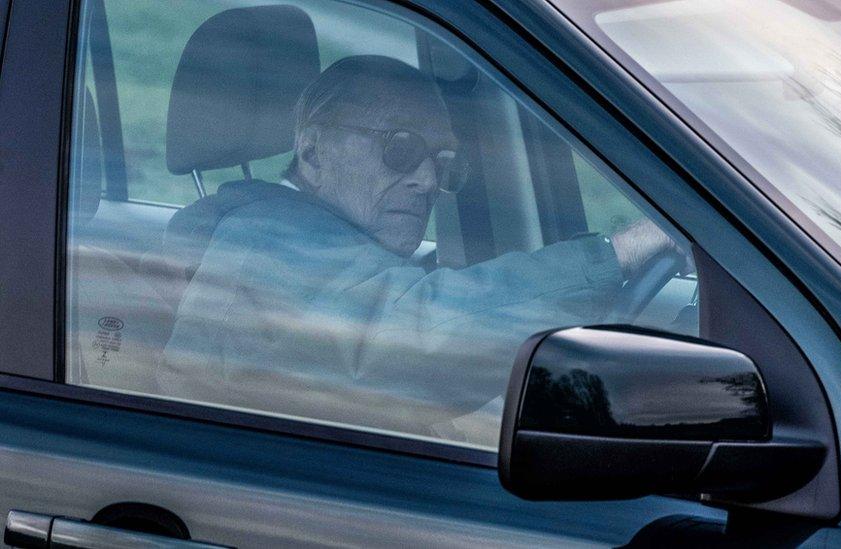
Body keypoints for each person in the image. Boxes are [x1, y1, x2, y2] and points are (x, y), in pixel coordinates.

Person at [160, 55, 686, 441]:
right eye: (401, 148)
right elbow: (408, 335)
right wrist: (616, 254)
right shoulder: (266, 241)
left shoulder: (315, 238)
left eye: (443, 161)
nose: (427, 179)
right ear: (313, 151)